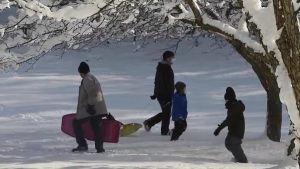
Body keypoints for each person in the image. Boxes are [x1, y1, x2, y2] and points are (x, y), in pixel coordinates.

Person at [72, 62, 108, 153]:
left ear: (81, 72)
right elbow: (97, 93)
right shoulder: (92, 78)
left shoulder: (87, 79)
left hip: (91, 108)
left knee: (77, 124)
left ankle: (82, 145)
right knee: (96, 127)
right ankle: (99, 148)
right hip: (97, 108)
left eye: (79, 73)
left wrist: (91, 106)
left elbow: (93, 92)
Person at [143, 51, 175, 135]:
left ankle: (150, 123)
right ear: (167, 58)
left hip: (165, 94)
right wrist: (160, 94)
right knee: (166, 113)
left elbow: (166, 82)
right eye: (171, 58)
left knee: (166, 113)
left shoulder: (164, 67)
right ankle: (163, 130)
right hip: (164, 95)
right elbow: (159, 82)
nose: (172, 60)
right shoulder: (164, 67)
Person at [214, 87, 248, 163]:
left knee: (234, 143)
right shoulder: (231, 107)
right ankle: (238, 157)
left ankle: (243, 161)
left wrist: (219, 129)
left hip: (237, 130)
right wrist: (219, 128)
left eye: (226, 100)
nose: (225, 102)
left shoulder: (234, 107)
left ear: (230, 99)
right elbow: (228, 119)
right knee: (227, 143)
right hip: (232, 130)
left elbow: (228, 120)